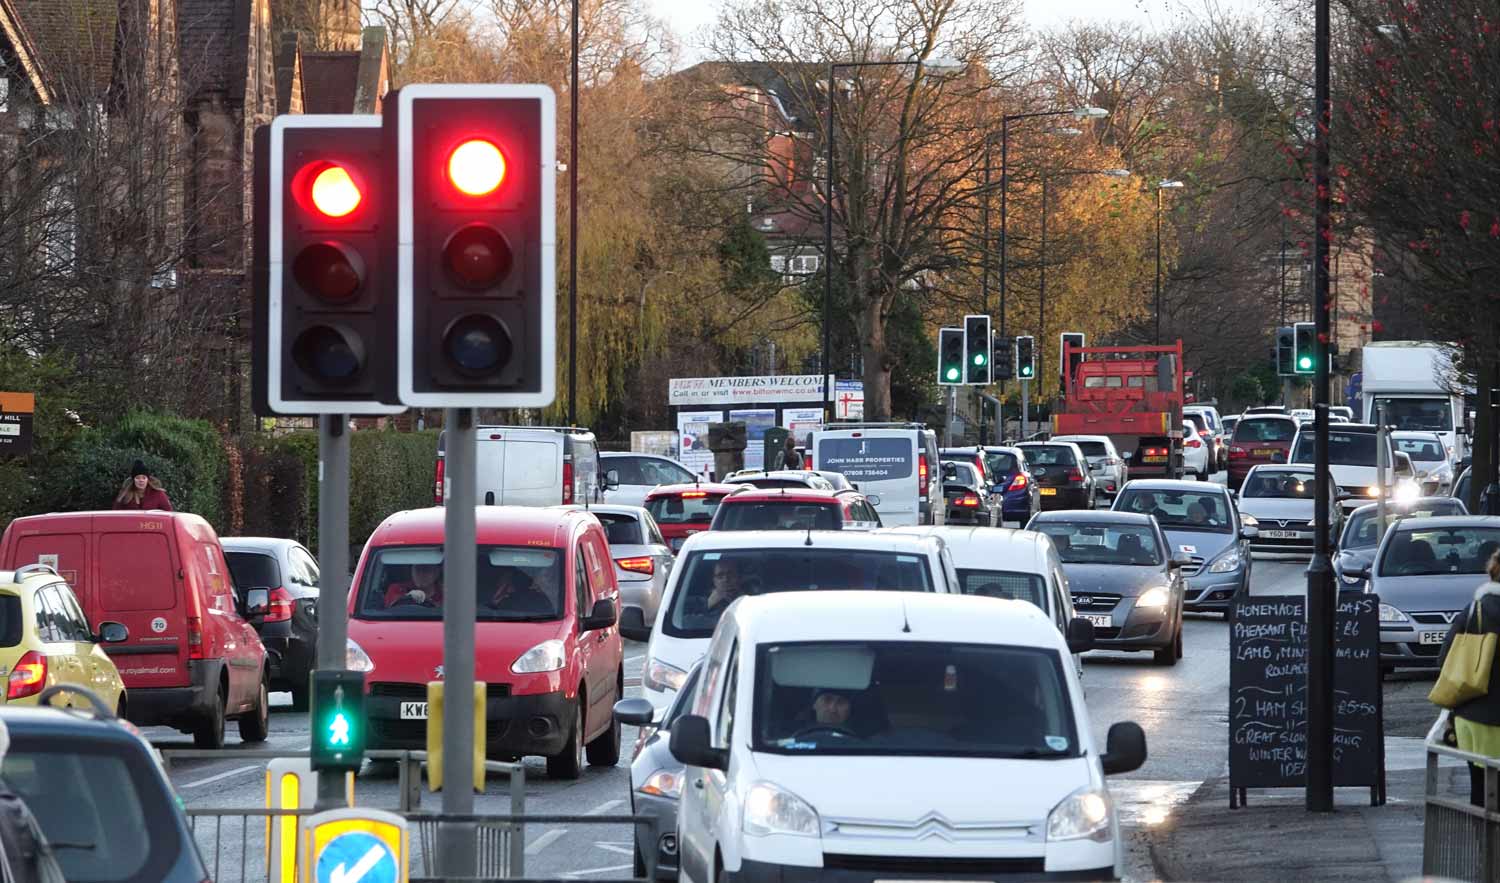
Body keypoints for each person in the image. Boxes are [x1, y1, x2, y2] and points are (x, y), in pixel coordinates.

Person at [1438, 550, 1500, 808]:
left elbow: (1444, 658)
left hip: (1471, 716)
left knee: (1481, 790)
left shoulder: (1474, 609)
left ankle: (1485, 846)